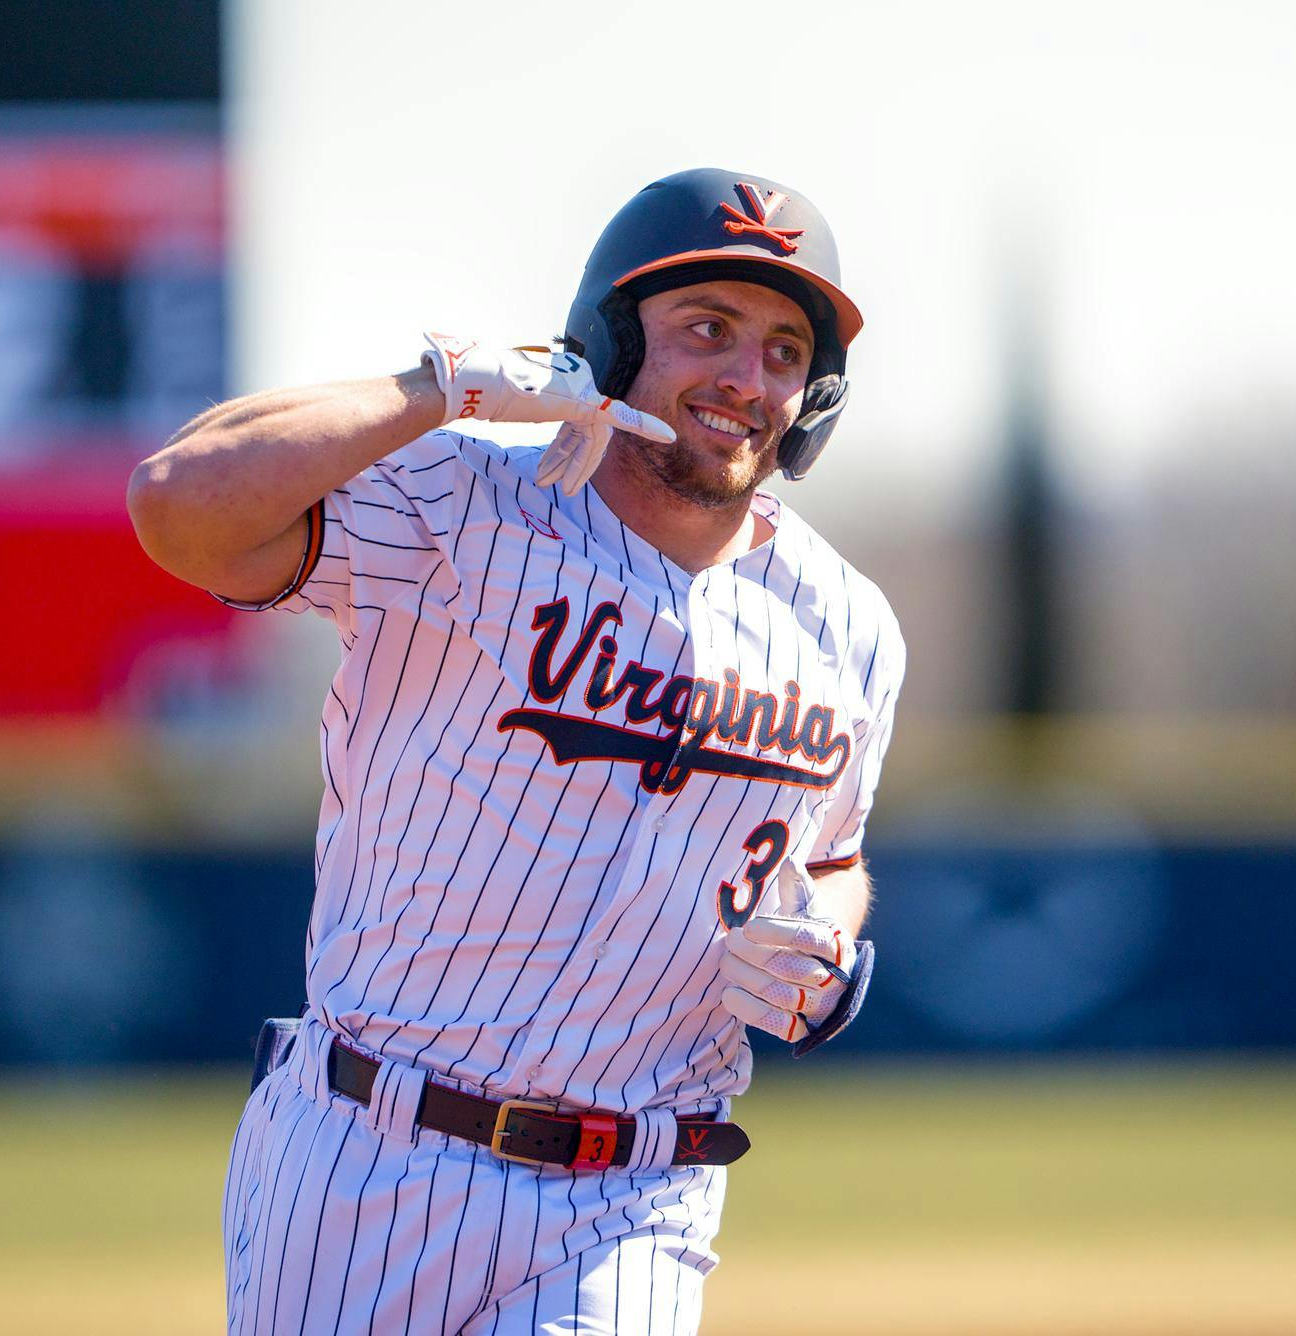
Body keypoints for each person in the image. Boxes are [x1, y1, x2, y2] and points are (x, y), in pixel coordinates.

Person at [128, 168, 905, 1335]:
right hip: (364, 1155)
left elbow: (833, 859)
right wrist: (430, 391)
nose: (746, 380)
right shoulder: (455, 503)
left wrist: (829, 949)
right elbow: (177, 506)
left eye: (785, 351)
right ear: (605, 340)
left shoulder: (845, 628)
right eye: (706, 330)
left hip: (638, 1187)